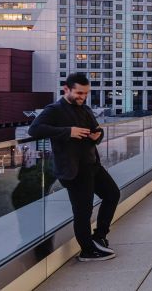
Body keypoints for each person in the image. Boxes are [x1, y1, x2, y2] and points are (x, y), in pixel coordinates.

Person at [28, 73, 119, 262]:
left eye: (85, 93)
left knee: (112, 194)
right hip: (73, 169)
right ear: (66, 89)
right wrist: (68, 131)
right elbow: (34, 130)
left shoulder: (84, 108)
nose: (82, 97)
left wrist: (97, 135)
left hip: (92, 165)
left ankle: (99, 236)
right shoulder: (54, 109)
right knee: (83, 211)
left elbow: (97, 130)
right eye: (79, 93)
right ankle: (87, 250)